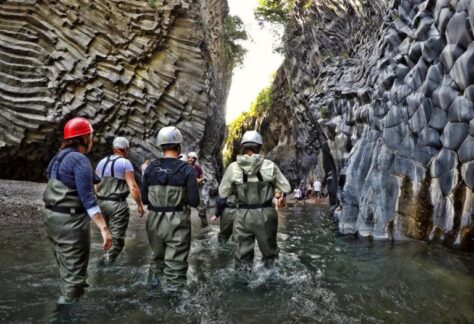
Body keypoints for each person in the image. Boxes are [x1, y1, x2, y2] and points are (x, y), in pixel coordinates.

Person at [43, 117, 112, 304]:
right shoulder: (80, 159)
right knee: (75, 281)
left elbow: (53, 177)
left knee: (65, 271)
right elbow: (88, 200)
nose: (93, 140)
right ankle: (65, 315)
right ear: (83, 138)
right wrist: (104, 230)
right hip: (70, 224)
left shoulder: (57, 157)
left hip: (52, 220)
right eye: (90, 136)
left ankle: (64, 301)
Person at [219, 130, 291, 270]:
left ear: (243, 147)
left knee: (242, 256)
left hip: (242, 215)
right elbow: (286, 188)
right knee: (270, 254)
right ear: (259, 147)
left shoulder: (233, 167)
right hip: (265, 214)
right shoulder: (270, 165)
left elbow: (223, 192)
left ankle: (242, 282)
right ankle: (270, 277)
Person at [141, 126, 200, 287]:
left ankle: (152, 293)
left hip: (154, 221)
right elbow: (195, 201)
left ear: (161, 147)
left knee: (157, 260)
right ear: (179, 147)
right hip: (177, 221)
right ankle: (173, 306)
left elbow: (145, 199)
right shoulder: (187, 169)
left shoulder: (150, 168)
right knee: (176, 268)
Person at [95, 137, 145, 265]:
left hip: (101, 204)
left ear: (114, 148)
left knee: (107, 236)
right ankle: (104, 268)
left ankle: (104, 261)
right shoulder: (125, 163)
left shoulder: (101, 162)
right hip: (117, 205)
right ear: (125, 150)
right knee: (117, 242)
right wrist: (139, 205)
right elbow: (133, 187)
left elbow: (95, 185)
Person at [187, 152, 208, 226]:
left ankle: (204, 225)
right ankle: (185, 226)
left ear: (195, 159)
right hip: (186, 191)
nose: (190, 159)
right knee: (185, 209)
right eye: (189, 157)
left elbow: (202, 177)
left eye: (192, 158)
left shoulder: (198, 168)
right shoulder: (184, 167)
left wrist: (200, 180)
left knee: (201, 209)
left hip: (196, 190)